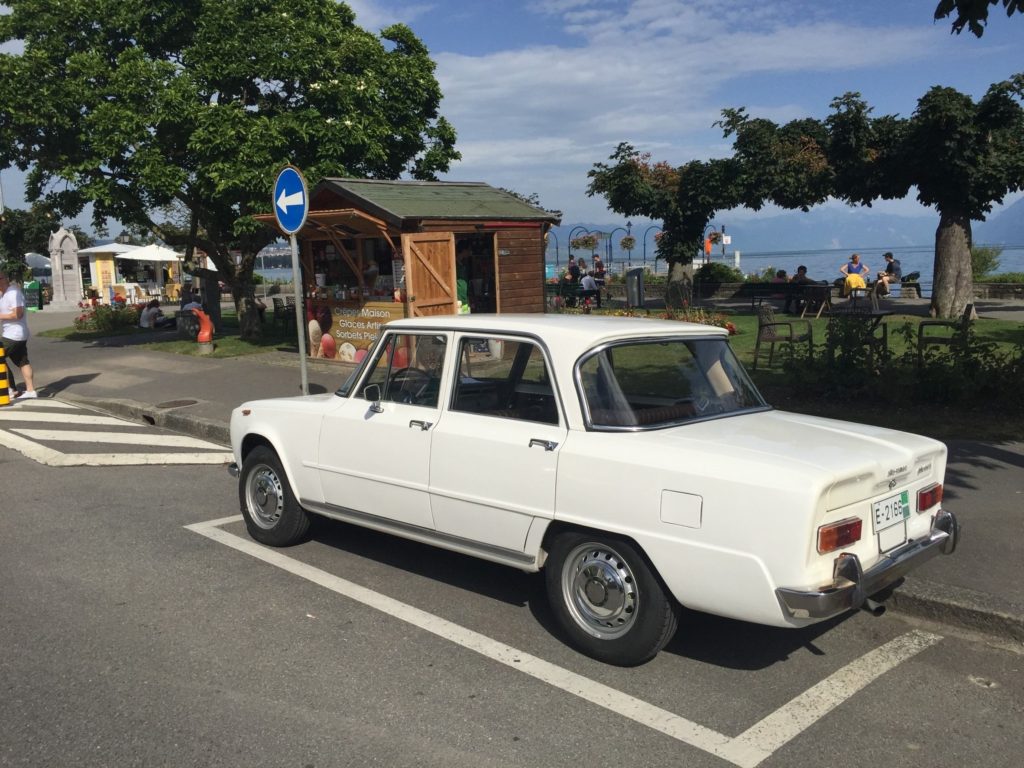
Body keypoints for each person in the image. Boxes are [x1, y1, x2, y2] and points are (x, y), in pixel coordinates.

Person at [0, 269, 38, 400]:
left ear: (5, 279)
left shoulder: (13, 293)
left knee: (0, 358)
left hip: (14, 334)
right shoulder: (3, 294)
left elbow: (18, 314)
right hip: (15, 334)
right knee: (22, 361)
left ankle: (9, 389)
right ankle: (30, 390)